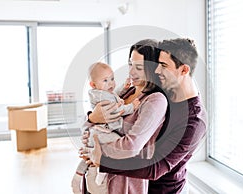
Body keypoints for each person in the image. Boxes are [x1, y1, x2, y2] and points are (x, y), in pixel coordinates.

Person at [84, 38, 207, 194]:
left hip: (163, 190)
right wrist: (92, 120)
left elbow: (156, 168)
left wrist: (102, 160)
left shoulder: (194, 121)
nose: (156, 70)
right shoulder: (162, 91)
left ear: (183, 70)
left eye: (163, 66)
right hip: (127, 181)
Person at [75, 39, 170, 194]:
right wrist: (92, 120)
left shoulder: (155, 100)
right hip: (95, 173)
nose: (131, 72)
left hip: (122, 183)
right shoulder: (125, 92)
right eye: (130, 64)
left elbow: (131, 146)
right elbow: (89, 124)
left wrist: (96, 151)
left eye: (138, 67)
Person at [71, 62, 141, 194]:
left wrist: (123, 88)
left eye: (112, 79)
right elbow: (117, 109)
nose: (111, 83)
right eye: (105, 80)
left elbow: (114, 95)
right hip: (103, 132)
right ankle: (98, 174)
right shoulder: (102, 96)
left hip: (98, 131)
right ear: (93, 85)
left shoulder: (101, 92)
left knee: (89, 154)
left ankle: (78, 174)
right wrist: (132, 107)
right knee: (117, 142)